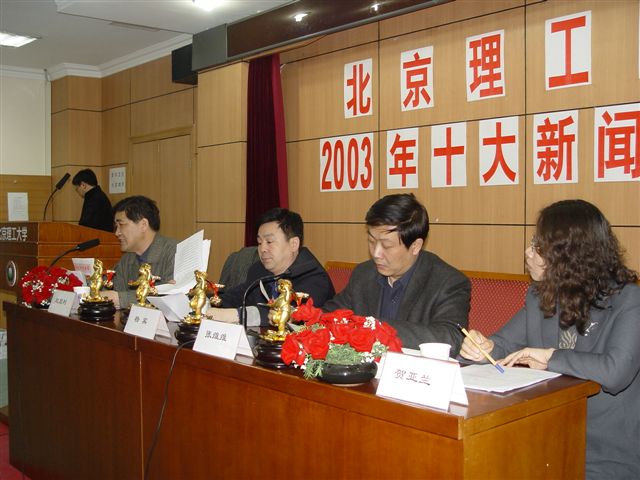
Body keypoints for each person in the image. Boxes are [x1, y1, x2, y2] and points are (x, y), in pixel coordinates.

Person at [460, 199, 640, 479]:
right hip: (544, 437)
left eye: (539, 246)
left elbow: (616, 372)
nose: (528, 253)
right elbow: (505, 343)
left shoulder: (628, 300)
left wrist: (551, 357)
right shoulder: (540, 296)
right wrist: (484, 347)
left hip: (603, 451)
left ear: (570, 255)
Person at [323, 194, 470, 353]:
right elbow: (328, 315)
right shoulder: (364, 274)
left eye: (386, 246)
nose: (376, 253)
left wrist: (377, 328)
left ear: (415, 246)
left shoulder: (447, 282)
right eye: (371, 242)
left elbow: (451, 337)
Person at [208, 208, 335, 326]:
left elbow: (288, 314)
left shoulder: (315, 278)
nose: (262, 249)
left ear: (294, 244)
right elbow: (237, 296)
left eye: (269, 242)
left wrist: (236, 315)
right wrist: (205, 303)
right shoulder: (259, 269)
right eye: (259, 242)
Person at [102, 196, 177, 309]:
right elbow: (108, 287)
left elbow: (170, 297)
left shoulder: (175, 252)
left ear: (143, 225)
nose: (117, 233)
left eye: (121, 225)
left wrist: (121, 299)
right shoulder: (127, 258)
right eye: (116, 227)